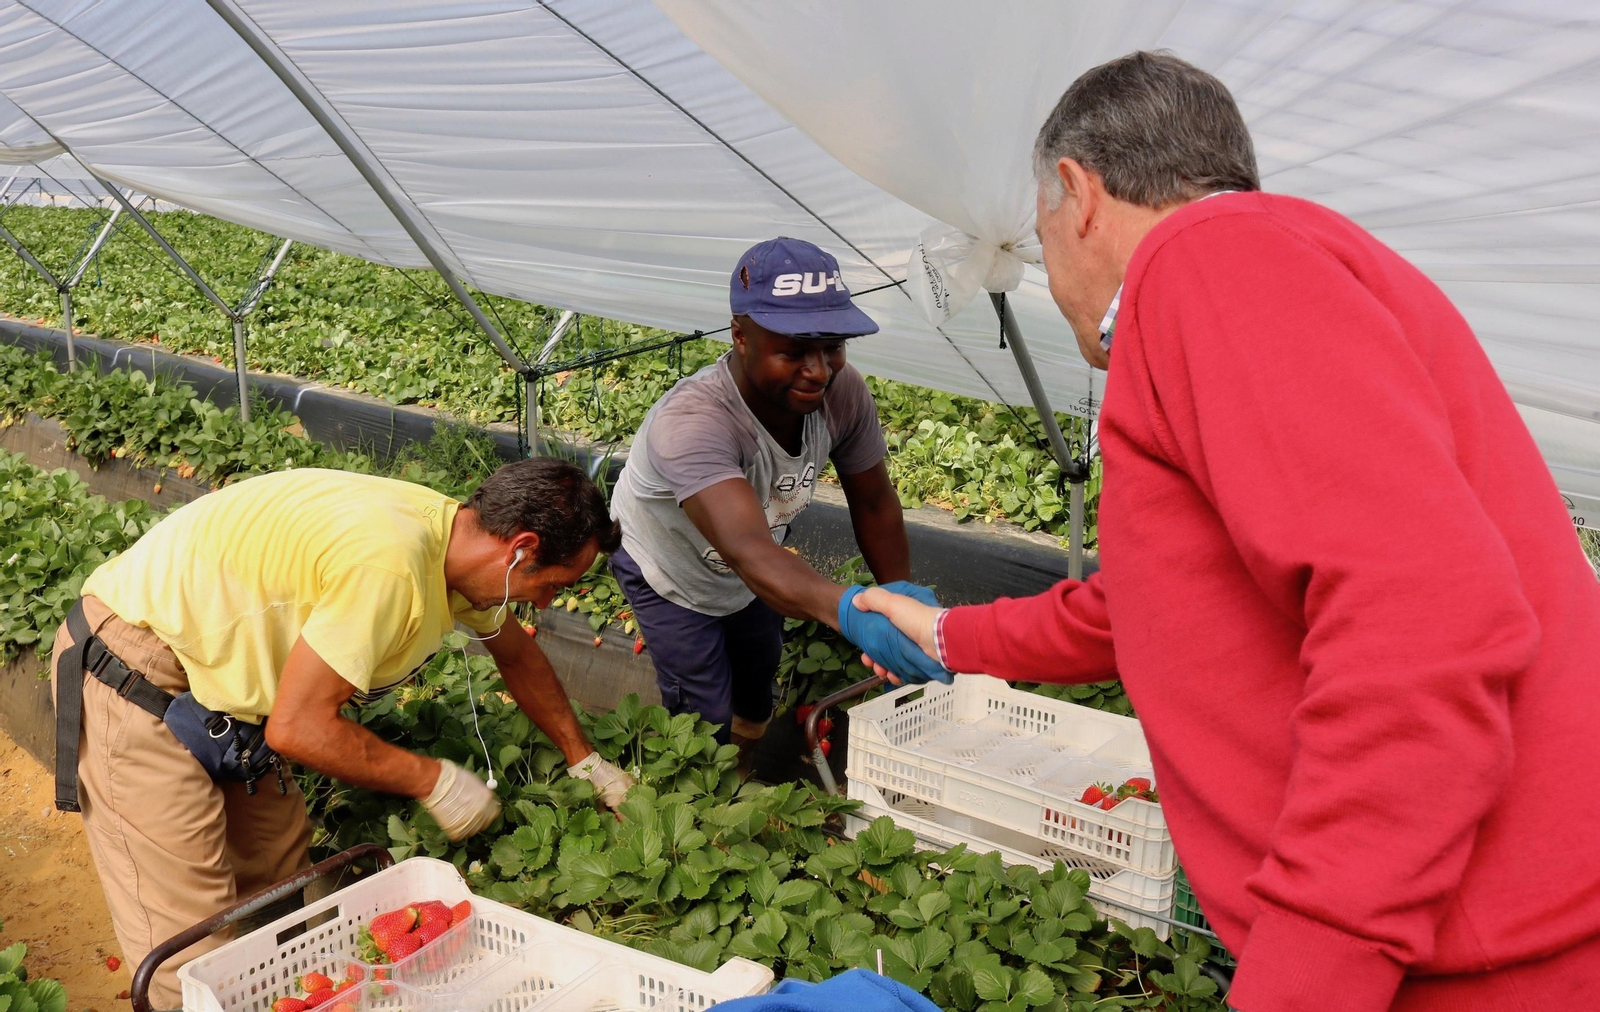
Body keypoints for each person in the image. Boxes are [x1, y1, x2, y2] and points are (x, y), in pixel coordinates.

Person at [850, 51, 1600, 1012]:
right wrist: (953, 636)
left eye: (1040, 239)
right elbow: (1150, 610)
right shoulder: (1269, 273)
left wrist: (1304, 977)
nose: (1051, 274)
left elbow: (1427, 626)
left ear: (1077, 195)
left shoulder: (1212, 262)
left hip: (1478, 965)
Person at [51, 459, 634, 1006]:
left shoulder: (456, 551)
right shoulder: (391, 565)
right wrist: (432, 780)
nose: (550, 600)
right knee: (190, 947)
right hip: (136, 671)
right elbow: (299, 727)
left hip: (223, 695)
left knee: (282, 893)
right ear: (520, 550)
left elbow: (516, 656)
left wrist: (586, 762)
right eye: (557, 583)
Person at [608, 236, 939, 761]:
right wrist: (853, 613)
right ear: (741, 336)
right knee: (702, 713)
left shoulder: (842, 393)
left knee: (757, 678)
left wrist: (898, 601)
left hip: (749, 566)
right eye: (794, 351)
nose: (819, 370)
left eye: (832, 347)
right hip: (669, 571)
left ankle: (746, 771)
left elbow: (874, 503)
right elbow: (751, 552)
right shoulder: (693, 423)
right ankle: (705, 799)